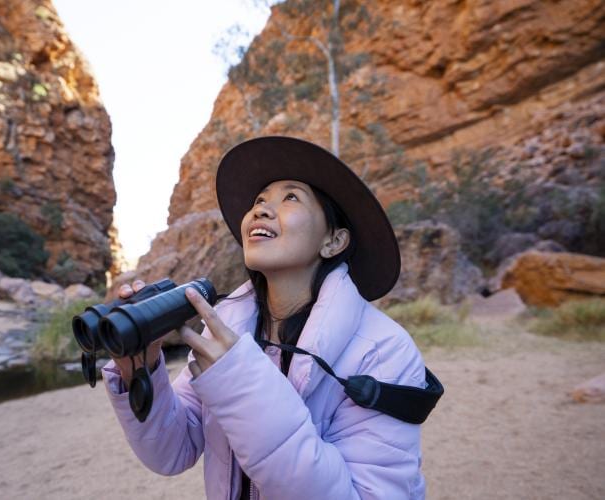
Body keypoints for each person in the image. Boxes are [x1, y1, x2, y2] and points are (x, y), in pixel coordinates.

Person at [102, 136, 428, 499]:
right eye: (259, 200)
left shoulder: (384, 350)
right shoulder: (225, 328)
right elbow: (172, 451)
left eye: (291, 197)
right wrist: (140, 371)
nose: (260, 210)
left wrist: (239, 382)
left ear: (334, 241)